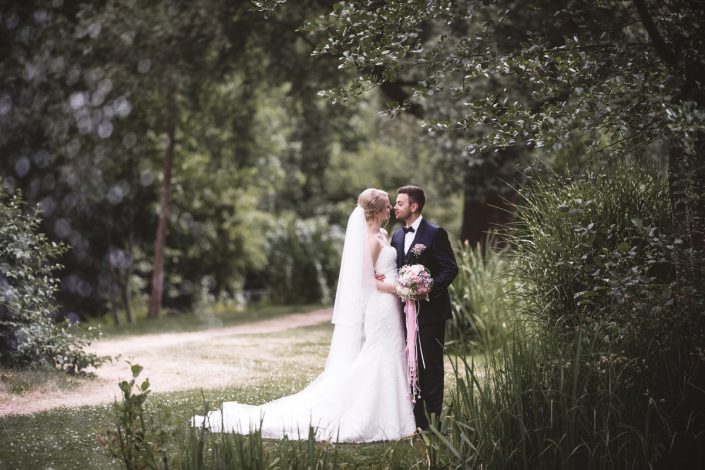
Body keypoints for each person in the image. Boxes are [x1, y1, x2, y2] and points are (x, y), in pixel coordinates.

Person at [193, 188, 416, 442]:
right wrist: (396, 287)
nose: (390, 210)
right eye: (387, 206)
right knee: (379, 354)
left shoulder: (383, 234)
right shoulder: (371, 239)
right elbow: (363, 280)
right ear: (377, 210)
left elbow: (376, 272)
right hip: (381, 305)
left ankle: (396, 416)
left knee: (391, 351)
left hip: (390, 305)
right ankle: (369, 413)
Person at [391, 185, 458, 430]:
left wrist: (426, 288)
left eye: (399, 203)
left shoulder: (435, 233)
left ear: (414, 205)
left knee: (430, 366)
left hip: (431, 314)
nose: (394, 207)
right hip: (404, 313)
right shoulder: (397, 236)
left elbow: (450, 269)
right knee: (410, 364)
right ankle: (415, 419)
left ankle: (433, 421)